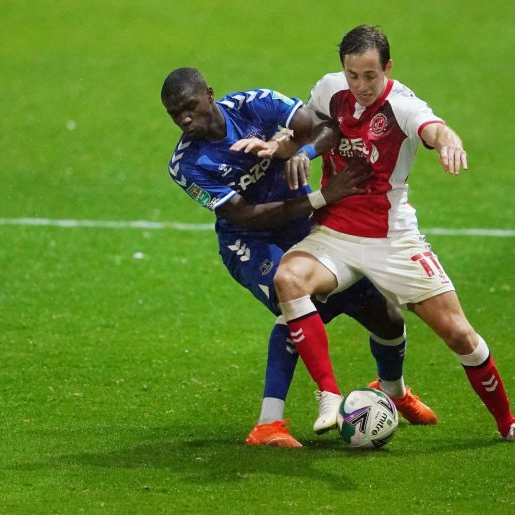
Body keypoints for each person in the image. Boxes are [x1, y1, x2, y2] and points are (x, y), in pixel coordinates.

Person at [270, 26, 515, 445]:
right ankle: (329, 394)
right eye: (353, 75)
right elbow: (306, 124)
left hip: (393, 240)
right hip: (333, 234)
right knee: (287, 279)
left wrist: (448, 143)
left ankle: (509, 425)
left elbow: (435, 129)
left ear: (387, 67)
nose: (361, 85)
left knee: (459, 333)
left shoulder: (403, 106)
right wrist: (285, 143)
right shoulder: (330, 89)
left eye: (370, 75)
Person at [160, 67, 437, 448]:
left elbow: (324, 128)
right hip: (251, 243)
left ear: (209, 93)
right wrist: (324, 197)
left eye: (190, 106)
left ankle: (393, 391)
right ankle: (270, 424)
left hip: (304, 223)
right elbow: (244, 215)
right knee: (295, 304)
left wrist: (300, 149)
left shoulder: (255, 105)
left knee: (385, 315)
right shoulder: (187, 164)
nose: (185, 119)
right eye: (175, 114)